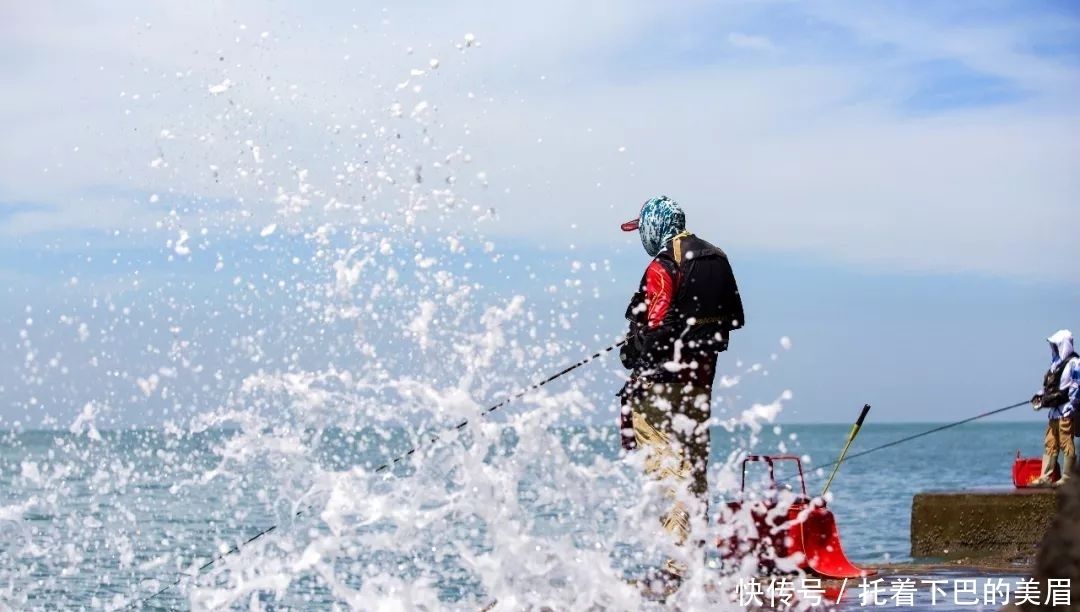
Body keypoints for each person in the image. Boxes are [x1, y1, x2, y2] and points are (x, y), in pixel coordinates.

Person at [616, 195, 744, 591]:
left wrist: (632, 351)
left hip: (660, 386)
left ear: (655, 227)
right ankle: (693, 560)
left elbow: (657, 326)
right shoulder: (717, 259)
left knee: (665, 469)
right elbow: (730, 320)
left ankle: (678, 568)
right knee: (693, 468)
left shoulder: (662, 266)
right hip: (700, 382)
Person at [1030, 329, 1080, 488]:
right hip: (1053, 413)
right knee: (1050, 442)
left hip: (1066, 411)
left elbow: (1076, 386)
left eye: (1056, 345)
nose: (1053, 348)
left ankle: (1068, 477)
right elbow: (1050, 388)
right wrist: (1040, 397)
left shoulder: (1075, 363)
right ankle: (1045, 477)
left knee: (1066, 442)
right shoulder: (1055, 365)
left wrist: (1072, 406)